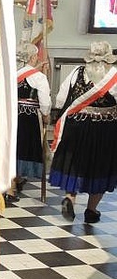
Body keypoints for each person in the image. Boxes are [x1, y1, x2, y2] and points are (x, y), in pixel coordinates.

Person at [50, 41, 117, 223]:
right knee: (99, 167)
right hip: (104, 129)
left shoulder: (76, 72)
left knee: (74, 163)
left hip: (76, 126)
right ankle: (91, 210)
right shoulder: (114, 75)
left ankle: (70, 197)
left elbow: (61, 99)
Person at [11, 43, 51, 200]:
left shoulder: (14, 73)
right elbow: (45, 101)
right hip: (29, 117)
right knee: (25, 148)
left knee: (15, 147)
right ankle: (14, 183)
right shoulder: (39, 77)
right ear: (33, 57)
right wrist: (46, 114)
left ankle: (15, 180)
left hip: (14, 114)